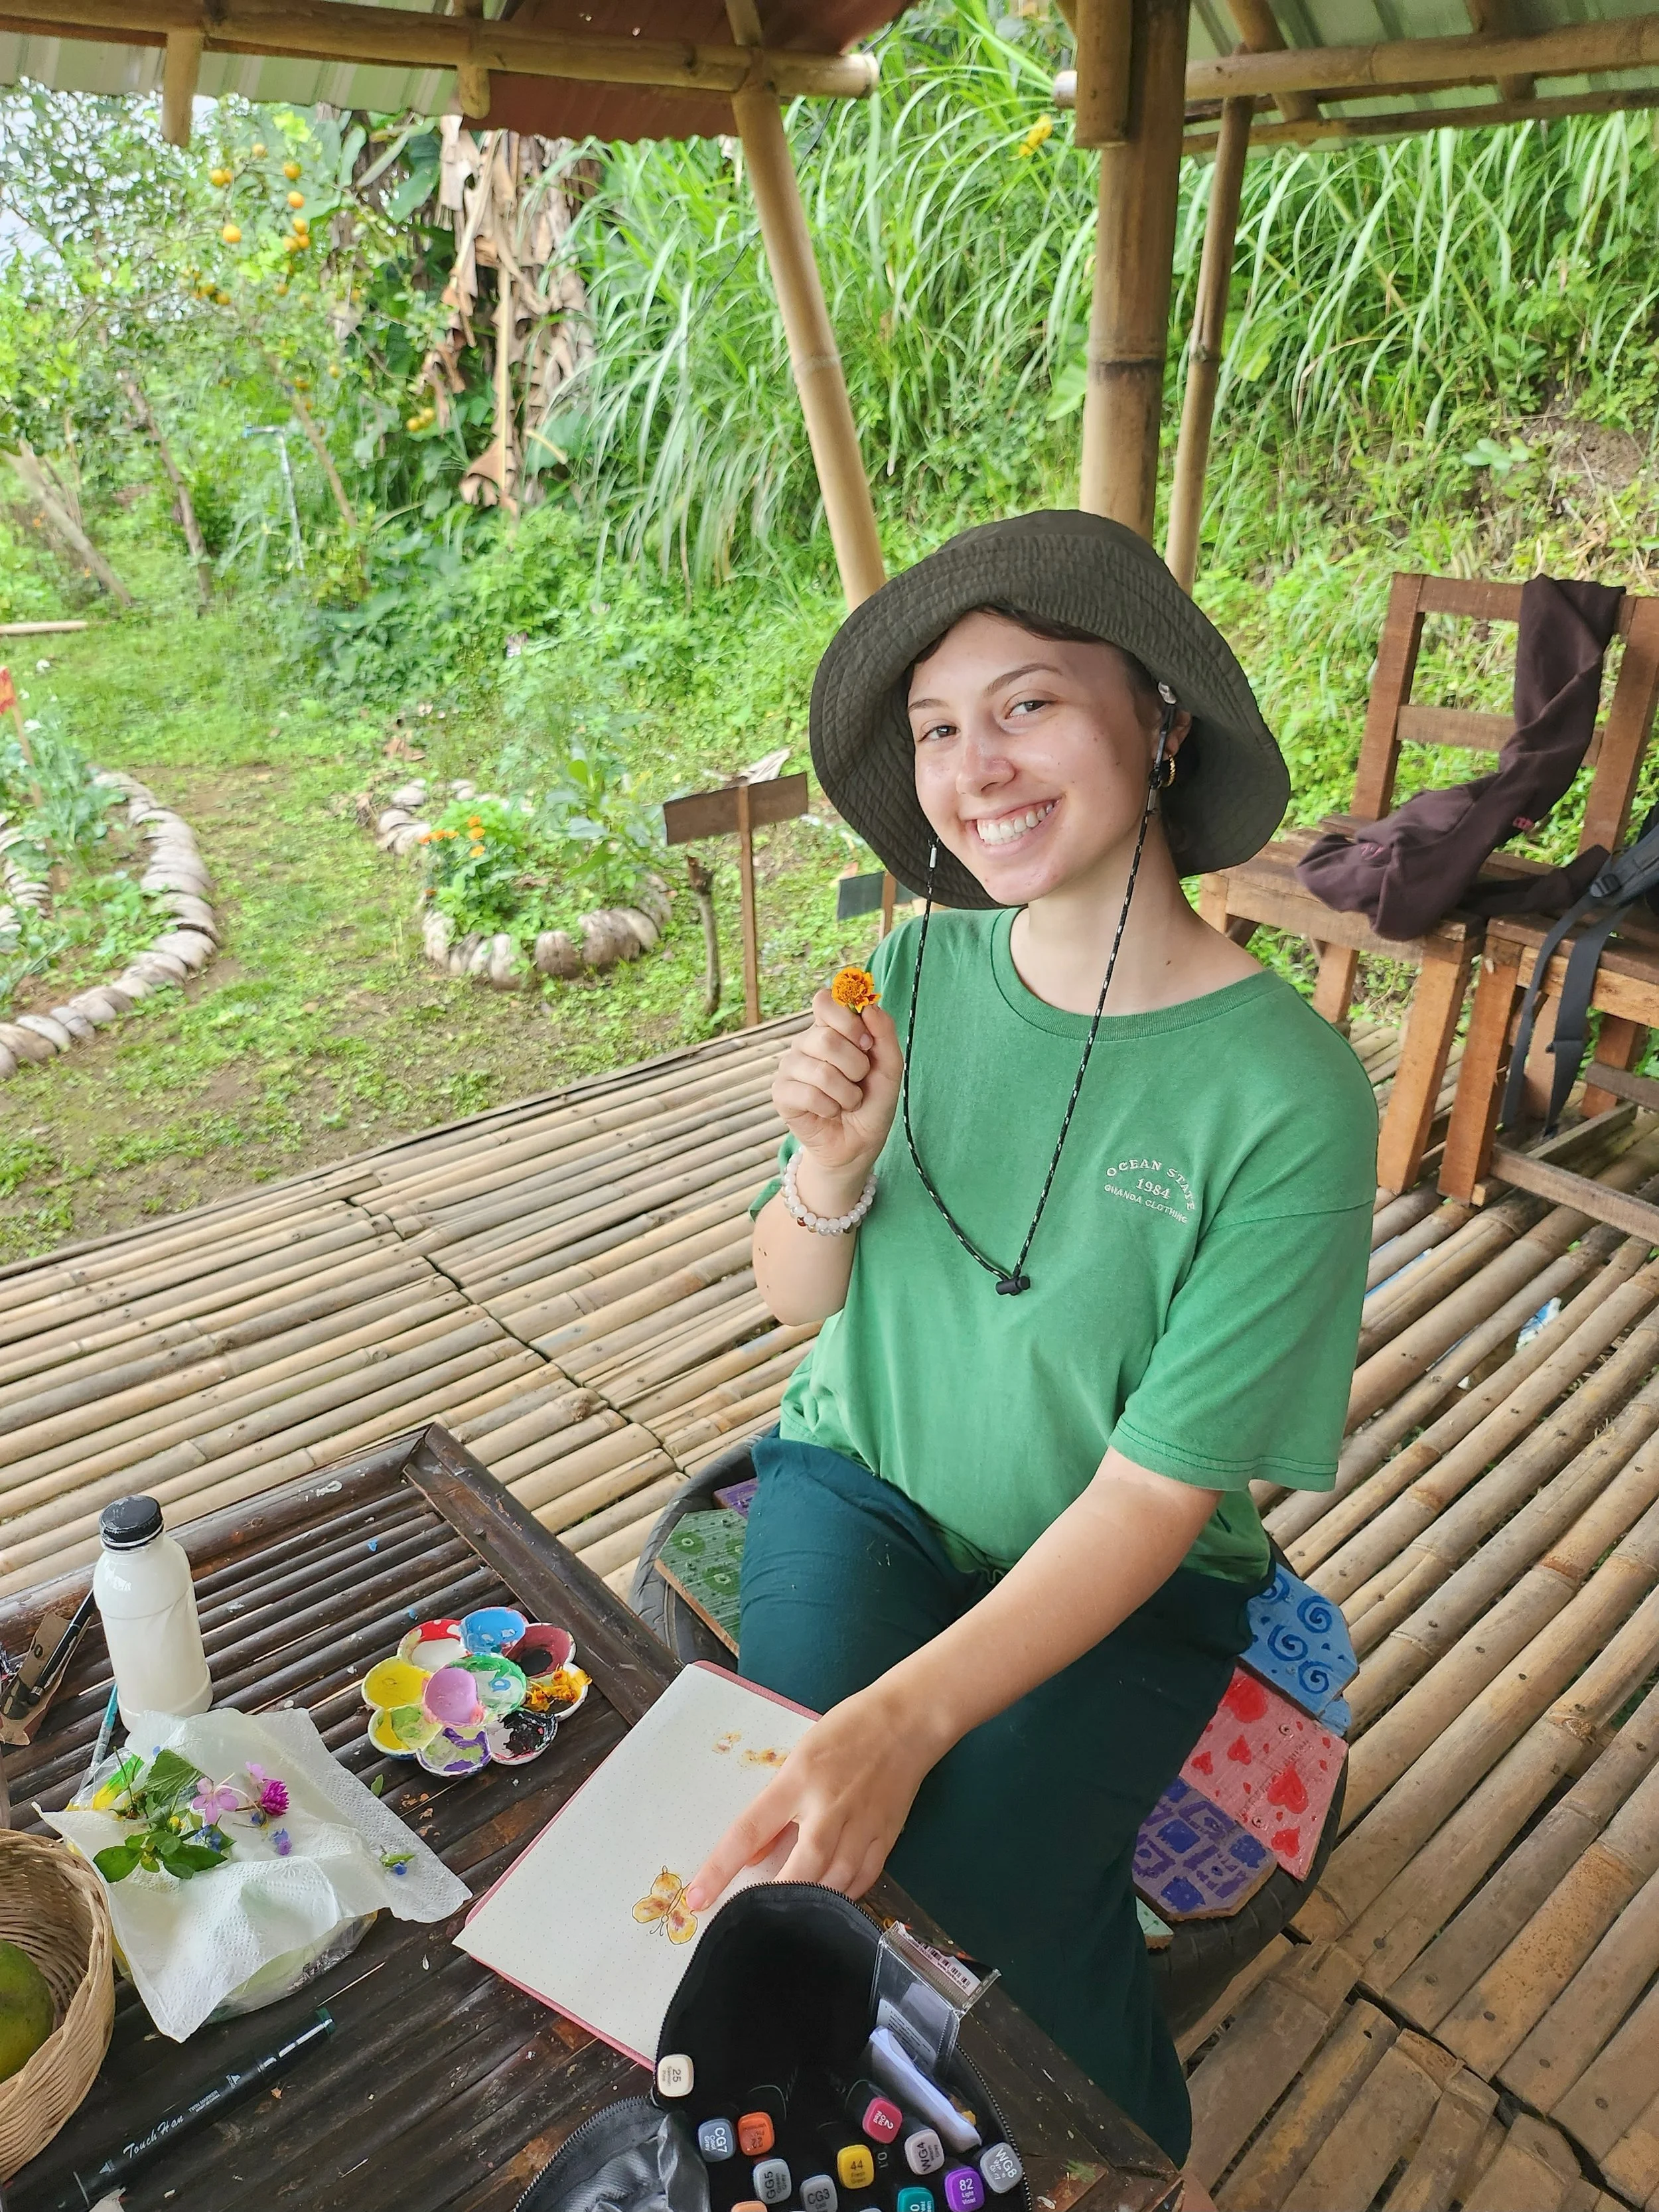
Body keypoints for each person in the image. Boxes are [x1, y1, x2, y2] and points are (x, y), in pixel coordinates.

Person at [687, 510, 1377, 2191]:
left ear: (1160, 724)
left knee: (974, 1870)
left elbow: (1153, 1499)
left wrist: (910, 1722)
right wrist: (830, 1172)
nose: (969, 769)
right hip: (854, 1485)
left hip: (1129, 1588)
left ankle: (1116, 2139)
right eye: (934, 727)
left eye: (1024, 706)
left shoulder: (1283, 1093)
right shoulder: (909, 969)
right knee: (791, 1829)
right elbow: (796, 1301)